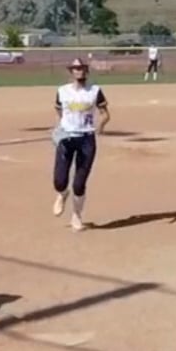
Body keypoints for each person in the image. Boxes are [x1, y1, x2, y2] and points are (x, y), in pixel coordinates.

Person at [51, 58, 110, 232]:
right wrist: (58, 129)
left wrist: (101, 126)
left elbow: (105, 114)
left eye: (82, 68)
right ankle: (62, 194)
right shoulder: (62, 91)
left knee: (79, 183)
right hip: (66, 138)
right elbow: (58, 111)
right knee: (59, 181)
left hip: (86, 139)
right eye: (76, 68)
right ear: (71, 71)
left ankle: (76, 215)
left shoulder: (95, 91)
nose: (79, 71)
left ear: (86, 70)